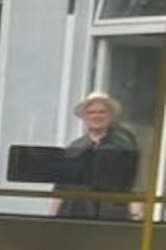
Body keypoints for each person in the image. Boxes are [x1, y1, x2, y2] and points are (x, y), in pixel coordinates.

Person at [60, 91, 142, 221]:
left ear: (110, 116)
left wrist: (136, 216)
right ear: (84, 117)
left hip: (111, 218)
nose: (96, 116)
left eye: (101, 112)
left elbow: (133, 184)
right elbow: (60, 189)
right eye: (91, 112)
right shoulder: (75, 147)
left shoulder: (124, 145)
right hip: (76, 217)